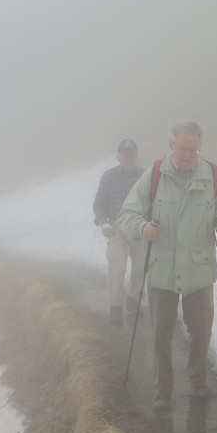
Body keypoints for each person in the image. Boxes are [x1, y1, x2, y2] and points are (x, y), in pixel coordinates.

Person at [118, 120, 217, 410]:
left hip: (199, 268)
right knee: (162, 334)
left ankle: (198, 383)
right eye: (183, 148)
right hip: (162, 269)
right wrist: (142, 227)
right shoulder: (155, 175)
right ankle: (162, 390)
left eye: (193, 149)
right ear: (171, 145)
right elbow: (127, 214)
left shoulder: (213, 175)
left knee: (201, 331)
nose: (188, 155)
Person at [92, 139, 146, 325]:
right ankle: (116, 307)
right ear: (118, 157)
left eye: (132, 155)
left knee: (141, 267)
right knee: (117, 267)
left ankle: (134, 301)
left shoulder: (144, 176)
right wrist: (103, 223)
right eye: (125, 155)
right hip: (116, 227)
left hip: (139, 226)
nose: (129, 158)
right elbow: (99, 203)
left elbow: (153, 202)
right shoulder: (108, 176)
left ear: (136, 156)